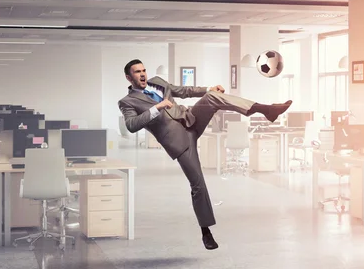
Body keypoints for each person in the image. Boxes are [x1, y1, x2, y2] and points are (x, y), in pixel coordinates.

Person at [118, 59, 292, 250]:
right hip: (180, 142)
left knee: (212, 96)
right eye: (137, 72)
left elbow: (184, 91)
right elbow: (131, 125)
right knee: (198, 184)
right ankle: (206, 232)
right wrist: (156, 108)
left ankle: (265, 110)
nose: (143, 74)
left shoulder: (158, 81)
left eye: (144, 70)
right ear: (129, 77)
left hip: (191, 118)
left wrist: (208, 88)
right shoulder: (127, 102)